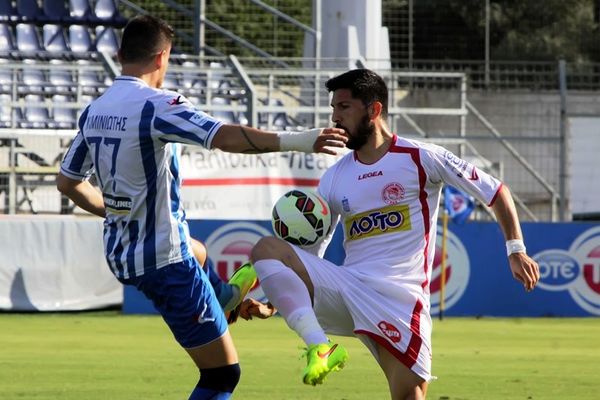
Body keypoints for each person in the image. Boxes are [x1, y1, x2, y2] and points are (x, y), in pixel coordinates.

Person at [56, 15, 346, 400]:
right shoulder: (155, 105)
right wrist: (299, 140)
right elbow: (221, 136)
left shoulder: (96, 111)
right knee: (222, 375)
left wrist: (118, 212)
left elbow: (68, 181)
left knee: (199, 249)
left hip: (122, 253)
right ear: (163, 57)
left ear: (121, 54)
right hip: (165, 261)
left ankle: (226, 298)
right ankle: (225, 300)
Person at [247, 68, 541, 399]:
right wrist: (271, 302)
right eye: (333, 109)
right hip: (349, 288)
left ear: (374, 110)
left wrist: (515, 249)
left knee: (409, 396)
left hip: (399, 300)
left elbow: (495, 191)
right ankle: (320, 347)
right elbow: (314, 252)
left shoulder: (422, 157)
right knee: (268, 249)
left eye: (344, 107)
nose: (334, 118)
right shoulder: (334, 177)